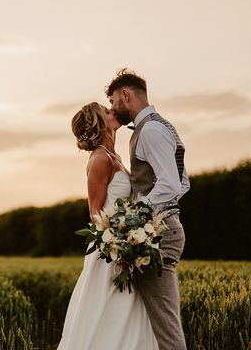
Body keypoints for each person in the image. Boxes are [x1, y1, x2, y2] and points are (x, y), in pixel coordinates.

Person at [57, 102, 158, 350]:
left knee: (129, 309)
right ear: (98, 123)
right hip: (111, 252)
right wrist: (121, 245)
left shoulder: (115, 156)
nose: (113, 111)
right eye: (106, 110)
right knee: (114, 310)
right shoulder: (100, 159)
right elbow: (95, 214)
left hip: (126, 244)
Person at [107, 69, 189, 350]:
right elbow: (183, 182)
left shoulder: (150, 130)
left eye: (114, 101)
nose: (114, 108)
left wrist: (134, 214)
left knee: (166, 328)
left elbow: (170, 186)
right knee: (157, 323)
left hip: (159, 237)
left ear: (126, 95)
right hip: (164, 228)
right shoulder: (161, 125)